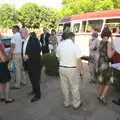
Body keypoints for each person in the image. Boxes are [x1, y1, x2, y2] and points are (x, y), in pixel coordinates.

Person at [56, 32, 82, 110]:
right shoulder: (74, 45)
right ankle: (76, 104)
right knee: (74, 87)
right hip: (72, 68)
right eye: (74, 37)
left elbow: (58, 58)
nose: (74, 39)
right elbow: (78, 59)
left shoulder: (59, 45)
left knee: (64, 86)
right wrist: (80, 71)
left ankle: (66, 102)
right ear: (71, 37)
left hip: (62, 68)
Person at [20, 28, 42, 103]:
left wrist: (29, 55)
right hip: (28, 64)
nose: (20, 34)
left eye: (21, 33)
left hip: (35, 64)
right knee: (32, 79)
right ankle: (34, 90)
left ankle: (38, 95)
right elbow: (24, 52)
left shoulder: (34, 39)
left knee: (35, 80)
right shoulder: (24, 41)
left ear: (25, 33)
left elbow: (38, 50)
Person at [97, 26, 113, 105]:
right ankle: (102, 97)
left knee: (102, 81)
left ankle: (99, 95)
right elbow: (110, 56)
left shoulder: (100, 42)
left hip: (100, 63)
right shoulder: (108, 43)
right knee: (108, 82)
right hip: (106, 64)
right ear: (109, 35)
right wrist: (113, 51)